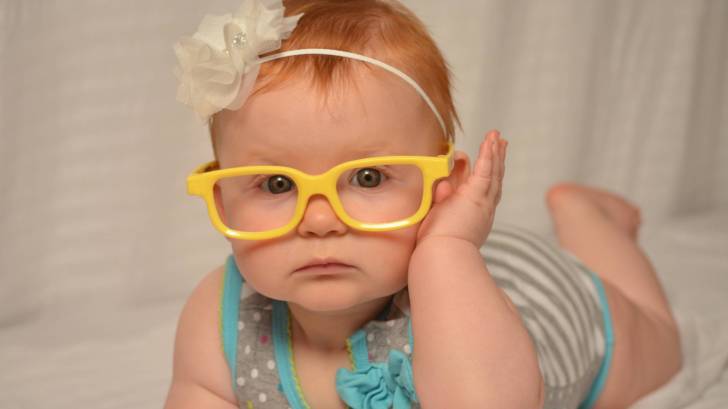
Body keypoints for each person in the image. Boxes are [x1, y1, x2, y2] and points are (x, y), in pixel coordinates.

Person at [164, 1, 682, 408]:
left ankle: (586, 216)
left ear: (446, 189)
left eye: (367, 177)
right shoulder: (219, 318)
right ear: (223, 200)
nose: (319, 221)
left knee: (659, 345)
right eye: (277, 185)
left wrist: (448, 248)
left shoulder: (452, 291)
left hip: (560, 306)